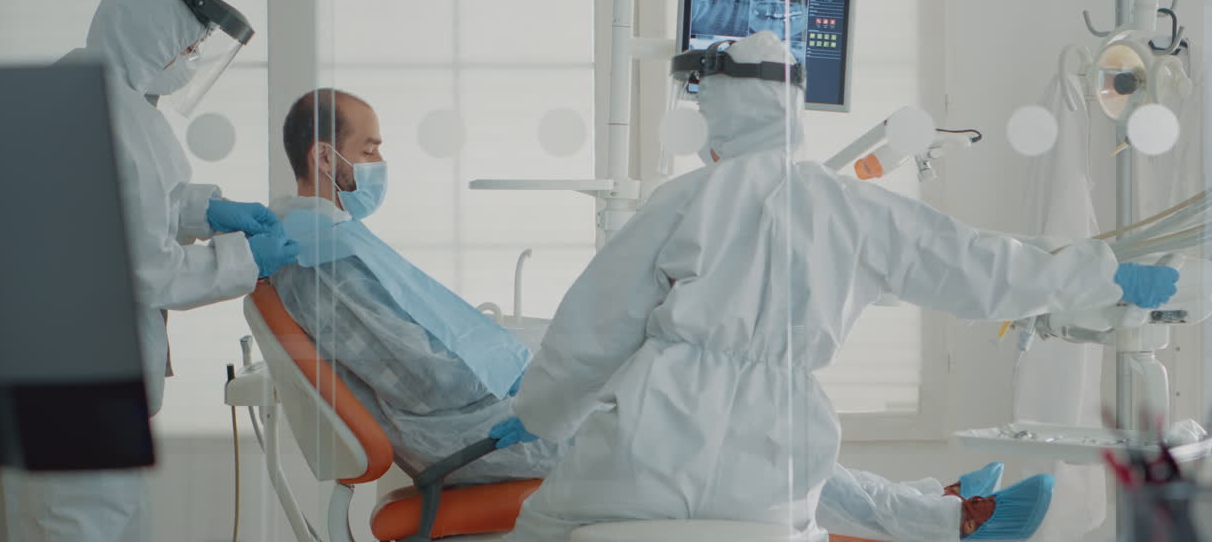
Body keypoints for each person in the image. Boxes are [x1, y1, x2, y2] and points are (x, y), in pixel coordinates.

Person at [494, 31, 1179, 542]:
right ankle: (941, 518)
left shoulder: (684, 199)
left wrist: (541, 411)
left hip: (646, 448)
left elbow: (594, 327)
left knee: (542, 527)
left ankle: (942, 516)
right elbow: (978, 267)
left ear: (719, 109)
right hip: (775, 466)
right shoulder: (853, 207)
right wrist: (1103, 276)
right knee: (811, 507)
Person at [270, 87, 1025, 541]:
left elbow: (436, 342)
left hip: (493, 415)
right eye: (369, 149)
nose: (379, 162)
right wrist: (536, 399)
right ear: (327, 159)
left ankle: (929, 506)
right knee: (717, 425)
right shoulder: (318, 258)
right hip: (479, 442)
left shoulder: (332, 240)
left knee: (718, 406)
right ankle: (937, 522)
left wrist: (535, 357)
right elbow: (425, 379)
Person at [0, 0, 300, 542]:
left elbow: (130, 207)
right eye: (190, 44)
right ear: (153, 28)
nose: (191, 59)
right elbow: (147, 269)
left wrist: (206, 209)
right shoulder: (107, 113)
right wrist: (247, 259)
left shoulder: (92, 90)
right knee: (84, 528)